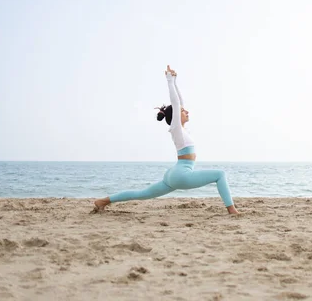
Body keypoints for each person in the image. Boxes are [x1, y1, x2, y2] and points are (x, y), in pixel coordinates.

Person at [92, 65, 239, 214]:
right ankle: (232, 210)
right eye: (183, 111)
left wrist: (175, 80)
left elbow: (179, 103)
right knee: (220, 174)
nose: (186, 111)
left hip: (174, 173)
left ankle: (103, 201)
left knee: (142, 194)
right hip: (181, 174)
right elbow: (176, 104)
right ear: (175, 116)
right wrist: (169, 80)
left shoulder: (182, 129)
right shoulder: (176, 129)